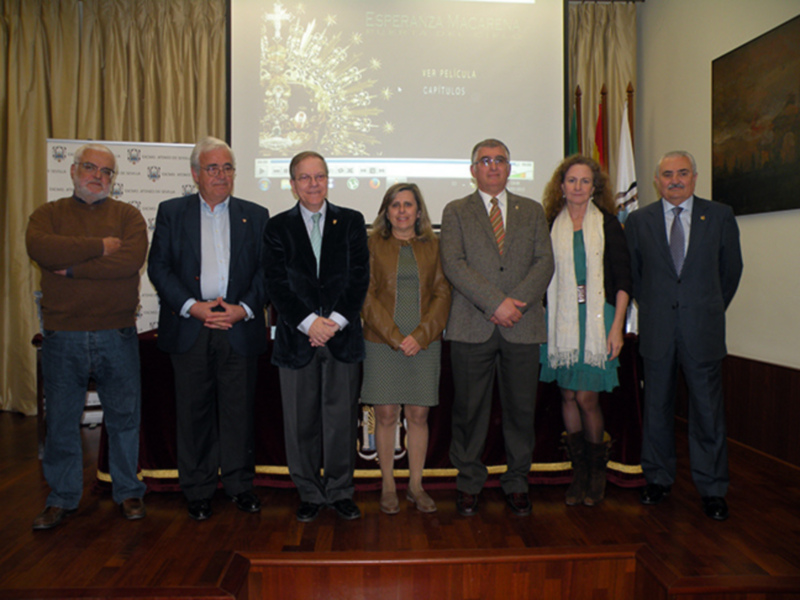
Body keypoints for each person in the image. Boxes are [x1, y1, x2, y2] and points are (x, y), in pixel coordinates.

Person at [26, 143, 148, 529]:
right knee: (62, 420)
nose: (98, 176)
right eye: (91, 168)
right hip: (63, 335)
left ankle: (128, 491)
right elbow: (41, 249)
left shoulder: (128, 216)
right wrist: (100, 247)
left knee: (124, 418)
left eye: (106, 171)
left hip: (117, 332)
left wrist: (73, 269)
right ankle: (62, 498)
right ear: (74, 170)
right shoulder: (47, 215)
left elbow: (128, 263)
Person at [147, 137, 269, 521]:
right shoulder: (172, 212)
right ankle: (198, 490)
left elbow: (267, 271)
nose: (221, 175)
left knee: (238, 412)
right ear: (195, 173)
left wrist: (244, 309)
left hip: (238, 325)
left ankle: (239, 485)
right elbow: (159, 267)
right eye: (212, 168)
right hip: (191, 325)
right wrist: (192, 307)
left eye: (227, 167)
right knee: (193, 412)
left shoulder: (256, 214)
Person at [626, 151, 743, 521]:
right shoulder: (639, 220)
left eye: (682, 173)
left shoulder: (719, 215)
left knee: (707, 413)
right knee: (656, 409)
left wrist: (706, 308)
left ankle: (712, 489)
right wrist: (657, 307)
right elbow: (635, 275)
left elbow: (731, 271)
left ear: (694, 177)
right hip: (657, 329)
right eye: (667, 174)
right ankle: (658, 478)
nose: (674, 180)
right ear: (656, 180)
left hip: (702, 330)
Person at [440, 139, 554, 517]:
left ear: (510, 168)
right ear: (473, 170)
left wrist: (514, 304)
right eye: (485, 160)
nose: (493, 166)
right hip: (471, 326)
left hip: (523, 325)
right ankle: (469, 482)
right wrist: (495, 303)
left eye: (500, 160)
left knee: (521, 411)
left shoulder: (532, 210)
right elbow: (453, 264)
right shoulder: (456, 211)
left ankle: (517, 481)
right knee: (469, 410)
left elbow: (544, 262)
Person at [264, 151, 369, 523]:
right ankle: (308, 492)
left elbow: (359, 278)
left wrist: (333, 323)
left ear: (328, 179)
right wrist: (310, 324)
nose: (313, 184)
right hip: (297, 340)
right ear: (293, 184)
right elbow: (276, 285)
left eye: (319, 176)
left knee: (341, 421)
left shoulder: (352, 221)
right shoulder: (277, 227)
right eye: (305, 178)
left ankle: (340, 491)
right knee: (300, 423)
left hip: (342, 338)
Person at [539, 155, 632, 507]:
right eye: (571, 180)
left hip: (598, 320)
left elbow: (623, 281)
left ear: (595, 187)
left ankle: (597, 474)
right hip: (560, 320)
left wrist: (617, 327)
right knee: (567, 396)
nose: (578, 187)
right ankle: (579, 475)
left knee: (586, 398)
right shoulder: (550, 224)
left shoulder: (608, 224)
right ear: (561, 186)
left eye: (585, 181)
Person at [361, 183, 451, 515]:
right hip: (381, 342)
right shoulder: (372, 244)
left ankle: (415, 486)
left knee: (418, 415)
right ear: (386, 211)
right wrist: (395, 337)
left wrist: (421, 336)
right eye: (395, 205)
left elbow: (443, 293)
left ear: (419, 211)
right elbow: (365, 294)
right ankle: (388, 485)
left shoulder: (435, 246)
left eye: (408, 204)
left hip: (424, 343)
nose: (402, 210)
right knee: (385, 415)